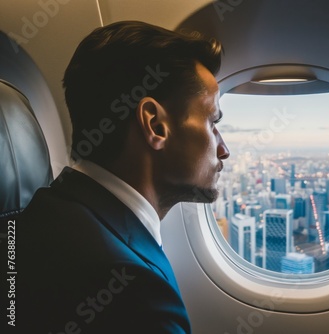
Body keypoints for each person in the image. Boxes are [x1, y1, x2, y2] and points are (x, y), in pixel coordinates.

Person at [17, 21, 229, 334]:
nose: (223, 148)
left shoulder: (51, 207)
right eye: (212, 123)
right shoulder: (135, 292)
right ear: (155, 125)